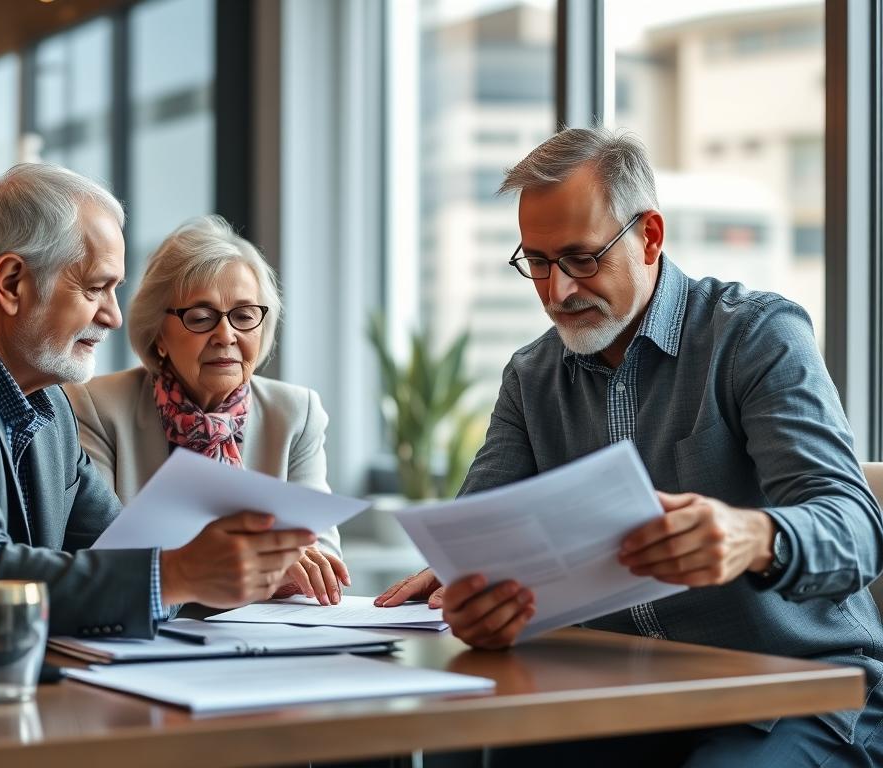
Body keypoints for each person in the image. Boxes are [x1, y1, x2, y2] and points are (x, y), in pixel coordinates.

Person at [376, 127, 883, 766]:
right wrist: (475, 600)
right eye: (536, 261)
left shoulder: (756, 336)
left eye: (581, 258)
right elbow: (479, 540)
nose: (556, 291)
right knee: (465, 748)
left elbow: (857, 529)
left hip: (786, 690)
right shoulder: (531, 378)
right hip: (618, 690)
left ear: (649, 236)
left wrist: (754, 536)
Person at [0, 164, 315, 636]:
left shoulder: (48, 403)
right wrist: (180, 573)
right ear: (12, 282)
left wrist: (246, 570)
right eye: (97, 288)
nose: (115, 316)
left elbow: (122, 551)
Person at [64, 215, 349, 606]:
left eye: (245, 315)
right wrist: (255, 560)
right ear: (158, 334)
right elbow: (96, 554)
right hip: (145, 633)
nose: (226, 335)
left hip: (263, 637)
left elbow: (323, 561)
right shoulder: (95, 406)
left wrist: (290, 567)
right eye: (200, 317)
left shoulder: (296, 413)